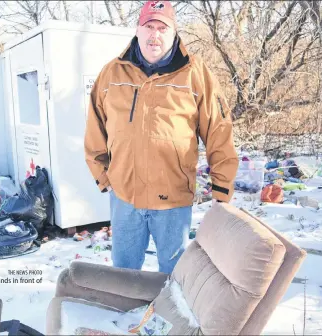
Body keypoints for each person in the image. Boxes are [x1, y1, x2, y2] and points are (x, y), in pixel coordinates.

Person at [84, 0, 239, 274]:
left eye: (162, 27)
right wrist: (103, 176)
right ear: (138, 30)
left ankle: (170, 315)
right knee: (124, 272)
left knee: (175, 274)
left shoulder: (195, 73)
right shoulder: (112, 73)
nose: (155, 34)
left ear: (173, 32)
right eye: (149, 26)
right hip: (124, 197)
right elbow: (95, 126)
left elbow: (219, 131)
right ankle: (127, 316)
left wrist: (222, 188)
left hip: (172, 200)